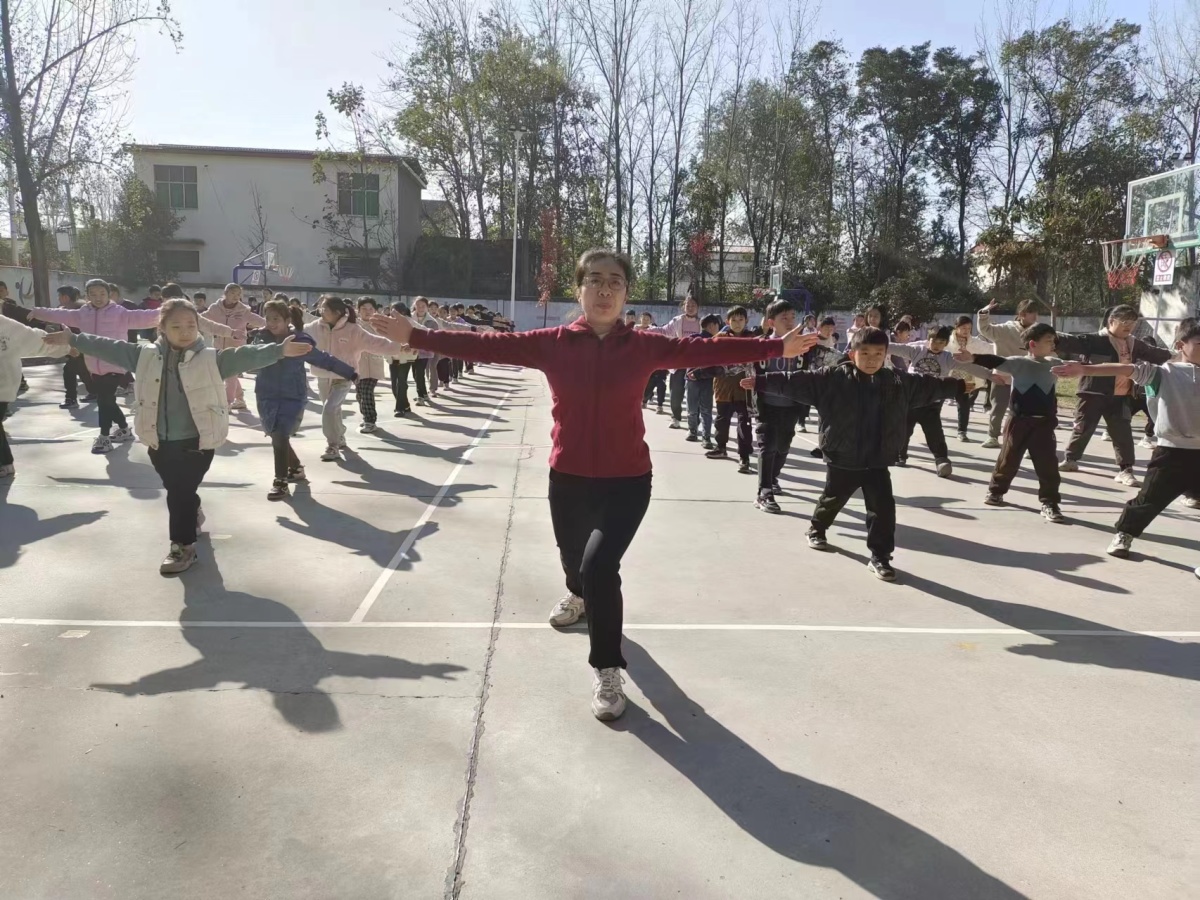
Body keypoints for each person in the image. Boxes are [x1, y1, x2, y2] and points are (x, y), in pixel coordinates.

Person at [368, 248, 815, 721]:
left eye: (615, 282)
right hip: (569, 479)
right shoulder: (553, 342)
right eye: (595, 280)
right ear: (579, 289)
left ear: (626, 293)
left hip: (628, 481)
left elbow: (706, 350)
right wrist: (416, 335)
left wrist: (773, 348)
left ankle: (606, 667)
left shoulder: (646, 346)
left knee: (601, 567)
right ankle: (578, 595)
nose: (604, 289)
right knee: (575, 564)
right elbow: (488, 347)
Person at [44, 300, 312, 573]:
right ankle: (193, 510)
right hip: (158, 439)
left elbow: (244, 355)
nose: (185, 332)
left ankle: (182, 546)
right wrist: (74, 339)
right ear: (161, 327)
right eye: (176, 326)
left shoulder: (210, 358)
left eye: (191, 326)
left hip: (198, 440)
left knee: (178, 492)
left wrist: (279, 350)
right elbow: (110, 348)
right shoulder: (143, 355)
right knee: (179, 490)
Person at [750, 327, 966, 582]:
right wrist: (761, 382)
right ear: (853, 355)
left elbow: (930, 387)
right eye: (865, 353)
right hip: (843, 455)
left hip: (878, 458)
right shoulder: (833, 378)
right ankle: (817, 529)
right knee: (833, 498)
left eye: (878, 353)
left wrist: (959, 386)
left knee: (883, 509)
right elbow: (796, 381)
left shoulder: (897, 381)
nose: (872, 359)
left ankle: (880, 557)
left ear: (887, 354)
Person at [1051, 321, 1200, 572]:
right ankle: (1124, 534)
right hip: (1171, 451)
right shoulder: (1162, 374)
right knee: (1148, 501)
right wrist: (1084, 369)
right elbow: (1124, 368)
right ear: (1180, 346)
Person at [28, 278, 162, 453]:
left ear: (109, 295)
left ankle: (104, 437)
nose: (98, 297)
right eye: (93, 294)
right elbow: (60, 314)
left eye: (102, 294)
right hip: (93, 365)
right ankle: (123, 428)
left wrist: (172, 312)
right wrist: (38, 312)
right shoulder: (82, 313)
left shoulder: (120, 313)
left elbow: (146, 317)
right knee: (108, 401)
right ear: (87, 295)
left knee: (104, 400)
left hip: (115, 364)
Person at [957, 323, 1067, 523]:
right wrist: (973, 357)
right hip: (1019, 422)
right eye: (1048, 341)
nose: (1053, 344)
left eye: (1053, 340)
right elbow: (995, 360)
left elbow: (1078, 368)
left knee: (1048, 465)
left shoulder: (1055, 363)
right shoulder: (1018, 363)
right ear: (1032, 344)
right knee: (1008, 459)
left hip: (1043, 424)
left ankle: (1050, 503)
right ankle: (995, 492)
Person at [249, 299, 357, 501]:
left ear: (287, 319)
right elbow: (248, 359)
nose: (271, 322)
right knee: (276, 435)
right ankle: (296, 468)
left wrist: (350, 373)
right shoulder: (261, 339)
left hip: (292, 396)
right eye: (268, 318)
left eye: (276, 318)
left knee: (280, 434)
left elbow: (324, 359)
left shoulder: (300, 342)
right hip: (266, 394)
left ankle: (280, 482)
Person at [1056, 305, 1173, 487]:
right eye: (1124, 322)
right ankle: (1071, 459)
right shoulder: (1095, 340)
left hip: (1121, 396)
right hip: (1092, 393)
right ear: (1111, 321)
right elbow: (1070, 341)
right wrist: (1045, 335)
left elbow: (1155, 354)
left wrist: (1180, 357)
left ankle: (1126, 470)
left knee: (1123, 434)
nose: (1129, 326)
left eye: (1133, 323)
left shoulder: (1135, 344)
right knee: (1082, 427)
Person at [305, 296, 409, 461]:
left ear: (337, 312)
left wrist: (399, 347)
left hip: (344, 377)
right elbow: (296, 333)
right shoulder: (314, 328)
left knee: (330, 409)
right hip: (323, 376)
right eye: (321, 308)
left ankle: (332, 445)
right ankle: (339, 436)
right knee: (333, 410)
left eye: (325, 309)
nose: (321, 312)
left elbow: (375, 342)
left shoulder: (353, 330)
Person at [888, 326, 991, 477]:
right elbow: (892, 347)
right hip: (910, 401)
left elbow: (971, 367)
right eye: (934, 341)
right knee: (903, 429)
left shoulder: (948, 358)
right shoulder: (916, 350)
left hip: (932, 403)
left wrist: (990, 375)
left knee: (935, 433)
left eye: (942, 342)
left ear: (946, 343)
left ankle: (941, 460)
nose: (937, 345)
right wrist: (869, 343)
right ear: (928, 340)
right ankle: (899, 455)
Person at [0, 312, 71, 478]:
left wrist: (67, 346)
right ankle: (5, 463)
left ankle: (5, 463)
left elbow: (33, 339)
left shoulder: (5, 325)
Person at [753, 299, 804, 513]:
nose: (790, 321)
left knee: (783, 447)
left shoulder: (803, 346)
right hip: (767, 406)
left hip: (791, 406)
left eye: (792, 317)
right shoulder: (762, 345)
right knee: (768, 446)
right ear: (771, 322)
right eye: (784, 318)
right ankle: (764, 492)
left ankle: (772, 478)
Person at [976, 299, 1040, 449]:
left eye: (1037, 313)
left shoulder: (1038, 332)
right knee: (998, 408)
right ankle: (992, 436)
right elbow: (985, 329)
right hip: (1003, 376)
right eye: (1032, 313)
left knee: (1027, 412)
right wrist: (985, 312)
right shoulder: (1005, 329)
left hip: (1027, 378)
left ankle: (1026, 441)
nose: (1036, 316)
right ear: (1022, 314)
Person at [705, 306, 757, 474]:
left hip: (745, 389)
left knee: (744, 424)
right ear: (727, 322)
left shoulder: (752, 339)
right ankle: (721, 447)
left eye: (740, 319)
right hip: (723, 387)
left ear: (746, 321)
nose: (737, 323)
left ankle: (744, 457)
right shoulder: (720, 338)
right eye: (733, 320)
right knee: (721, 421)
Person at [200, 284, 266, 411]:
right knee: (231, 374)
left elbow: (259, 321)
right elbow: (202, 318)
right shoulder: (215, 308)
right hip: (219, 346)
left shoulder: (243, 311)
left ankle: (226, 403)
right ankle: (240, 399)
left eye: (238, 294)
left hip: (236, 348)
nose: (236, 297)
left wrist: (273, 325)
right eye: (233, 293)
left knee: (230, 374)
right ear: (225, 293)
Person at [657, 291, 703, 430]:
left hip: (694, 365)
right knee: (676, 394)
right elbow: (664, 331)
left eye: (693, 305)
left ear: (698, 307)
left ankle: (693, 422)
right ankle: (676, 418)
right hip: (678, 363)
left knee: (694, 396)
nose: (690, 307)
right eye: (688, 305)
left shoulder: (702, 323)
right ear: (684, 306)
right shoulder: (677, 321)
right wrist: (646, 330)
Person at [948, 315, 995, 443]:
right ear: (956, 327)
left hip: (966, 378)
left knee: (963, 405)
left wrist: (1005, 344)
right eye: (963, 327)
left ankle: (962, 431)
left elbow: (990, 348)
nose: (966, 330)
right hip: (948, 377)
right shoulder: (948, 340)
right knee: (937, 402)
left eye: (969, 328)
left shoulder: (974, 342)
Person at [49, 286, 94, 409]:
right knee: (82, 370)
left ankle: (71, 399)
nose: (58, 299)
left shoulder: (72, 310)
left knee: (69, 371)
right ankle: (94, 392)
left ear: (65, 297)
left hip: (78, 346)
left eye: (59, 296)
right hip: (81, 346)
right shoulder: (80, 308)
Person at [684, 314, 723, 447]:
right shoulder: (714, 341)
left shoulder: (692, 339)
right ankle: (706, 438)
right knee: (706, 410)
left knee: (692, 408)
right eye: (718, 325)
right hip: (706, 380)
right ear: (712, 326)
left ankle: (692, 432)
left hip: (692, 378)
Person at [354, 298, 388, 434]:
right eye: (364, 309)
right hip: (357, 364)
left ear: (375, 310)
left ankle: (370, 420)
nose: (367, 312)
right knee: (359, 393)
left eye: (370, 309)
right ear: (358, 310)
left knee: (367, 391)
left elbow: (389, 342)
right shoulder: (353, 325)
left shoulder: (380, 325)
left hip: (373, 364)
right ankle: (366, 416)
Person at [388, 302, 418, 417]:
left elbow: (422, 332)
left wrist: (414, 345)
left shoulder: (410, 322)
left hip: (406, 356)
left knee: (401, 382)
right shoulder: (387, 322)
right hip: (392, 356)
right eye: (392, 311)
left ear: (403, 312)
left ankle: (399, 408)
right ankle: (405, 404)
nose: (393, 314)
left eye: (396, 311)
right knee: (394, 384)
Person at [411, 296, 440, 402]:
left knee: (419, 372)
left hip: (424, 351)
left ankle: (421, 396)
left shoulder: (432, 322)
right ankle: (423, 393)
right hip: (411, 350)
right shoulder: (409, 318)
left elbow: (434, 338)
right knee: (415, 374)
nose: (420, 308)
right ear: (414, 306)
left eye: (423, 306)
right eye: (418, 305)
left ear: (427, 307)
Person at [638, 312, 667, 412]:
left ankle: (659, 404)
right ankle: (643, 400)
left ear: (650, 321)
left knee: (661, 385)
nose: (645, 320)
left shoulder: (654, 332)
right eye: (644, 318)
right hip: (639, 363)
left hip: (654, 363)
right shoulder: (635, 330)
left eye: (647, 319)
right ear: (640, 319)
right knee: (646, 385)